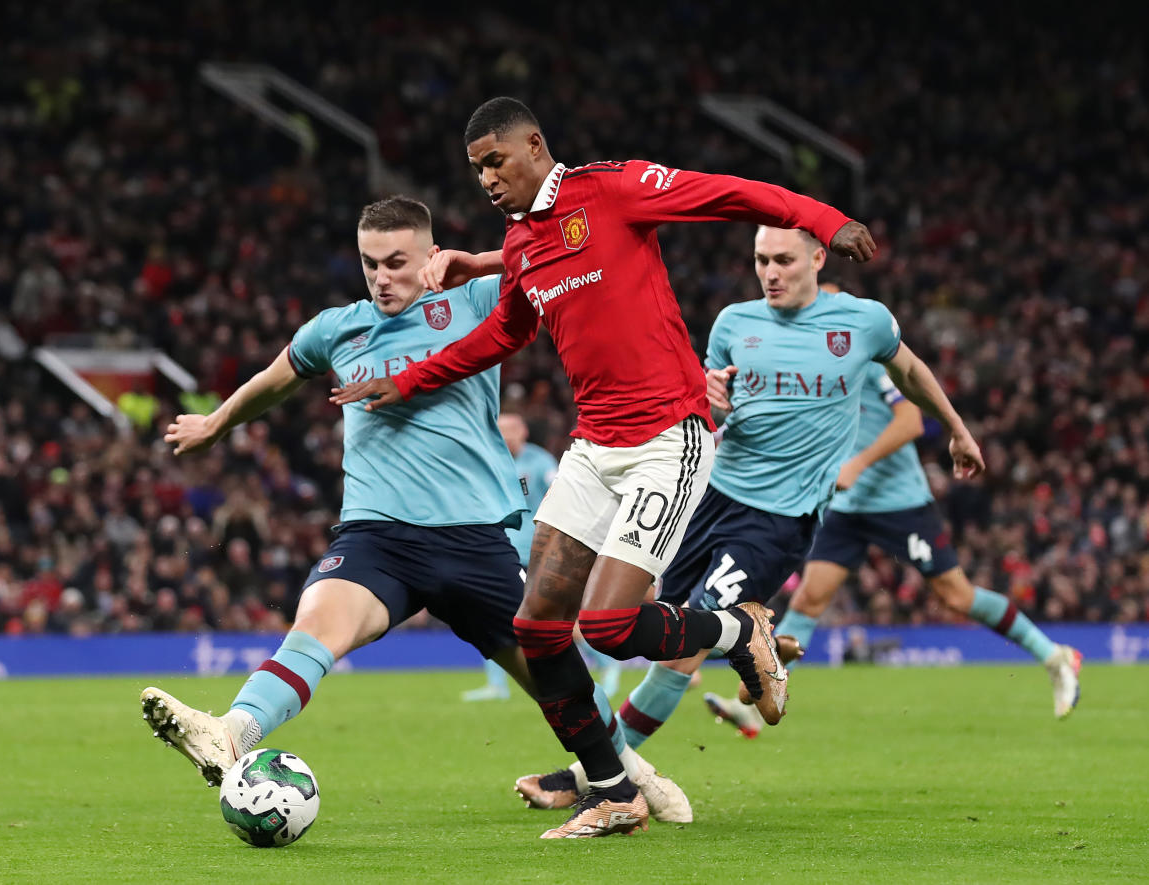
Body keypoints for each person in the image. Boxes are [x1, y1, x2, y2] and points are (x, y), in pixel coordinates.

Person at [332, 96, 878, 836]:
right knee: (538, 626)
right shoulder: (523, 244)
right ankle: (615, 790)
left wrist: (823, 218)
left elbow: (725, 192)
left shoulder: (611, 189)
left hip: (668, 438)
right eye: (477, 169)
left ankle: (735, 633)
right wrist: (412, 376)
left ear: (534, 145)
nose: (487, 179)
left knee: (613, 622)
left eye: (496, 160)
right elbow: (505, 331)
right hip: (594, 448)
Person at [138, 196, 685, 835]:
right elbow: (276, 378)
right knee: (316, 627)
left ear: (430, 256)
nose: (382, 278)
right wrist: (215, 422)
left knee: (553, 679)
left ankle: (629, 777)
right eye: (371, 264)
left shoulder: (476, 302)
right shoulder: (336, 329)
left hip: (478, 537)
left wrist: (482, 260)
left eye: (397, 263)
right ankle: (231, 731)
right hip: (378, 536)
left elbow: (562, 261)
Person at [511, 224, 987, 806]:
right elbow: (704, 399)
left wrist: (958, 431)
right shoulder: (735, 322)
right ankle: (752, 647)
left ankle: (598, 779)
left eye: (784, 260)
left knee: (684, 648)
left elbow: (909, 371)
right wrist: (707, 394)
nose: (771, 272)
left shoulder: (863, 322)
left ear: (818, 257)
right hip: (707, 495)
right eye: (761, 260)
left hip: (777, 520)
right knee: (632, 623)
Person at [705, 323, 1081, 735]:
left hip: (897, 502)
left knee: (956, 596)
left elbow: (910, 424)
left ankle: (1054, 656)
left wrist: (857, 465)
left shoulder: (861, 363)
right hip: (845, 505)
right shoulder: (803, 372)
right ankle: (755, 699)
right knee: (810, 598)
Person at [462, 413, 623, 702]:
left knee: (552, 616)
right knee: (490, 614)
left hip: (537, 551)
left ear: (522, 431)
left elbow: (562, 496)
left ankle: (607, 666)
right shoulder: (492, 459)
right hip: (503, 549)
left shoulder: (541, 462)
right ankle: (496, 684)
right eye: (499, 431)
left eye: (509, 430)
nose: (504, 437)